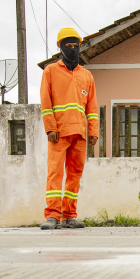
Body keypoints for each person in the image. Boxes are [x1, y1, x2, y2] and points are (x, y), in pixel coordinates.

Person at [39, 27, 99, 230]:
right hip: (59, 132)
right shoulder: (50, 71)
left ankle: (69, 216)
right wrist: (50, 128)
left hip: (80, 134)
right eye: (68, 46)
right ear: (60, 47)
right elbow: (46, 102)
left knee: (75, 175)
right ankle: (53, 216)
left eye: (76, 46)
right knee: (55, 173)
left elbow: (91, 106)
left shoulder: (87, 75)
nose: (73, 49)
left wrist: (93, 131)